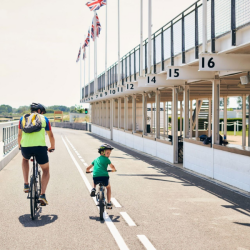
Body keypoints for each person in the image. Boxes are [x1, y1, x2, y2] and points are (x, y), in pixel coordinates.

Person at [18, 103, 55, 205]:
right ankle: (42, 195)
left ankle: (26, 184)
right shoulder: (45, 119)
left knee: (25, 159)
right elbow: (51, 135)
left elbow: (19, 134)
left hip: (25, 147)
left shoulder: (22, 118)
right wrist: (52, 147)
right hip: (40, 148)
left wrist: (20, 146)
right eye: (42, 112)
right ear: (39, 111)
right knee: (46, 170)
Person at [86, 144, 116, 209]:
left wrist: (88, 170)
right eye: (107, 153)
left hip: (96, 176)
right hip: (105, 176)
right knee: (108, 187)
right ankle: (108, 203)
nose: (108, 155)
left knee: (94, 179)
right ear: (102, 152)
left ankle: (93, 188)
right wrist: (114, 170)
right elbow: (112, 166)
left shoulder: (95, 159)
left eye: (109, 153)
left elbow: (88, 167)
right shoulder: (107, 159)